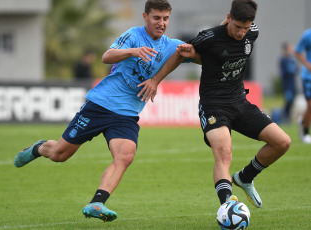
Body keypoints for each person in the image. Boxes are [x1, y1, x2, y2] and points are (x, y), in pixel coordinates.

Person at [14, 0, 187, 222]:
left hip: (127, 114)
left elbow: (190, 51)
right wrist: (132, 51)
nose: (161, 23)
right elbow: (107, 56)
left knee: (125, 156)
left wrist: (156, 79)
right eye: (156, 18)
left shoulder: (171, 44)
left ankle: (97, 202)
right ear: (145, 17)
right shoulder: (134, 35)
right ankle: (39, 148)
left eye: (165, 19)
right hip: (101, 105)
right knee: (59, 154)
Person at [138, 0, 291, 208]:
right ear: (228, 18)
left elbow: (223, 49)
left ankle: (245, 178)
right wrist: (155, 81)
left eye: (245, 28)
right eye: (237, 27)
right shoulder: (208, 38)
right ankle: (227, 205)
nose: (241, 33)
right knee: (224, 153)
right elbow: (181, 54)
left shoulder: (252, 32)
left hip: (240, 102)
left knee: (282, 142)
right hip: (214, 105)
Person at [295, 28, 311, 144]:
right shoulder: (307, 35)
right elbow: (297, 52)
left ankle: (303, 120)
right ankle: (305, 132)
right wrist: (307, 65)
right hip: (308, 76)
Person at [279, 42, 298, 122]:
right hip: (286, 84)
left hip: (293, 83)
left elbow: (297, 70)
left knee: (293, 99)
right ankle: (285, 115)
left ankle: (288, 115)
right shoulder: (283, 60)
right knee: (288, 99)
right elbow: (283, 72)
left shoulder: (292, 60)